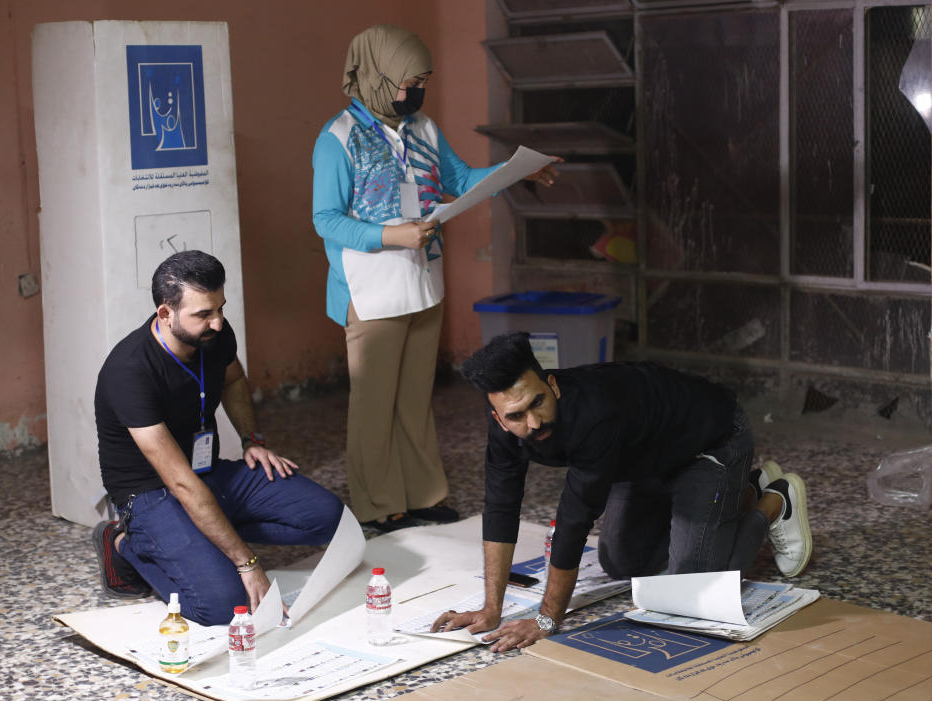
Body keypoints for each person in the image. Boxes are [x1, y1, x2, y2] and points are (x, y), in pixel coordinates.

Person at [311, 24, 559, 532]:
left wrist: (515, 173)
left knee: (413, 400)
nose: (417, 91)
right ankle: (379, 504)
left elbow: (461, 180)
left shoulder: (422, 128)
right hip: (371, 290)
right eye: (409, 81)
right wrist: (393, 236)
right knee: (373, 407)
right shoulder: (337, 139)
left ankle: (423, 494)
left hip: (423, 285)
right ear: (378, 77)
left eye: (423, 80)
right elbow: (326, 218)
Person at [432, 332, 812, 652]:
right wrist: (490, 609)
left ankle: (773, 500)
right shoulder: (504, 426)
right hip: (643, 458)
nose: (533, 422)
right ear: (498, 417)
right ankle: (736, 492)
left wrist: (546, 619)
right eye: (515, 416)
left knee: (692, 591)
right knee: (622, 562)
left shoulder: (595, 415)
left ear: (552, 385)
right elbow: (500, 506)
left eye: (538, 403)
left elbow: (574, 519)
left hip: (711, 441)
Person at [92, 250, 343, 626]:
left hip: (205, 472)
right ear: (165, 313)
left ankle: (201, 535)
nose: (218, 322)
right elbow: (179, 482)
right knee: (222, 606)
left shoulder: (215, 335)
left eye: (220, 308)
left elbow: (234, 379)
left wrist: (251, 440)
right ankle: (125, 544)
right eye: (204, 314)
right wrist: (246, 562)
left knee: (329, 519)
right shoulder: (130, 371)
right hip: (151, 492)